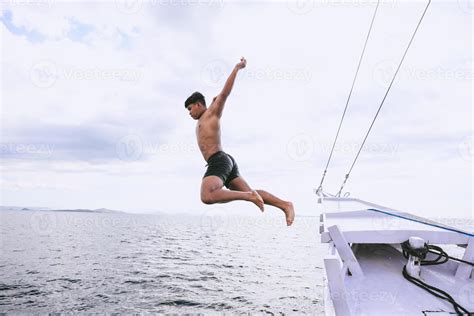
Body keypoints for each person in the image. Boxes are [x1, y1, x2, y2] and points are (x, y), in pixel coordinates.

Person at [184, 57, 295, 226]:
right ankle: (285, 205)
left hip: (219, 160)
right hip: (226, 161)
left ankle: (248, 197)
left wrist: (237, 68)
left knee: (207, 195)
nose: (189, 113)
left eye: (190, 108)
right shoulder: (204, 117)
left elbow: (224, 94)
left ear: (199, 105)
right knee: (251, 192)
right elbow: (217, 97)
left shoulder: (211, 113)